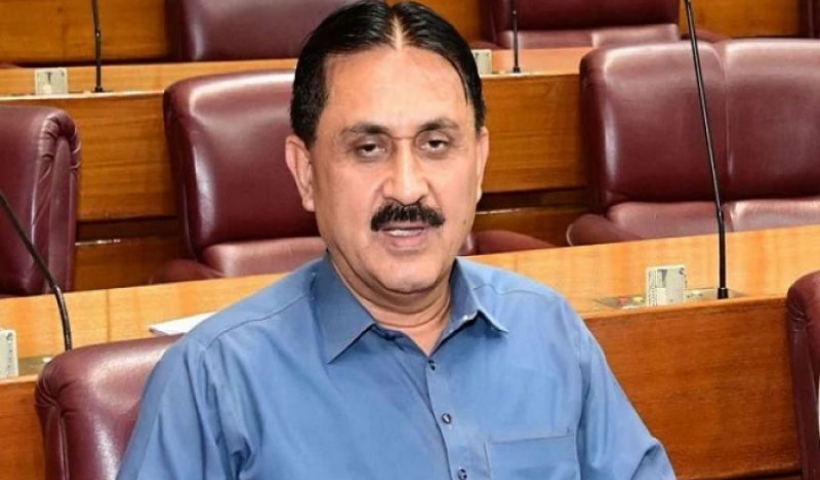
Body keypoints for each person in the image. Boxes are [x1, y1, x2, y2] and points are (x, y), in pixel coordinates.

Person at [117, 1, 676, 478]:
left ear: (479, 163)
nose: (407, 187)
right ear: (305, 173)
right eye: (369, 148)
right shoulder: (213, 379)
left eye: (436, 144)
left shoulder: (550, 331)